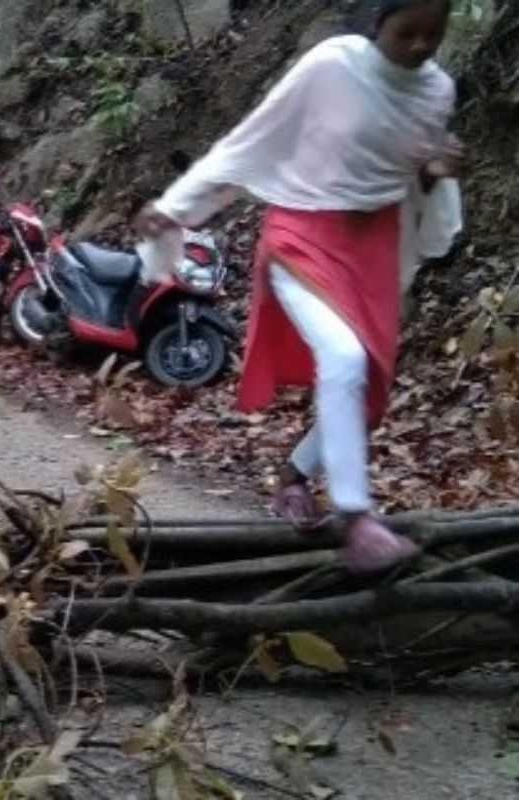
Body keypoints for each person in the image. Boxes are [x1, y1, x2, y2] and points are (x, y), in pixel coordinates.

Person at [133, 0, 464, 574]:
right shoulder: (331, 66)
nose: (419, 47)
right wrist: (175, 208)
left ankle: (293, 477)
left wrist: (437, 179)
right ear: (375, 23)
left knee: (368, 390)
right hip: (303, 233)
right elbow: (249, 140)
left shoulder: (437, 91)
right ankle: (356, 520)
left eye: (432, 35)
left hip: (374, 247)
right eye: (406, 32)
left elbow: (418, 169)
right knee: (343, 357)